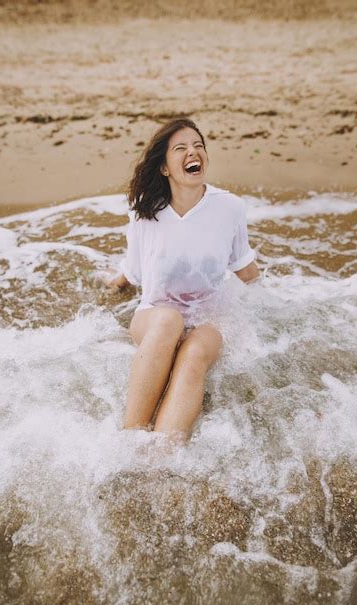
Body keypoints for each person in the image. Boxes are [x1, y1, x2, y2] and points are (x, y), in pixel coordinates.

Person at [103, 118, 260, 441]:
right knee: (168, 321)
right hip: (154, 318)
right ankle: (129, 439)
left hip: (209, 317)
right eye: (182, 148)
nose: (194, 152)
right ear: (165, 168)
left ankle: (161, 461)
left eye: (199, 146)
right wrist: (115, 283)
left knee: (193, 355)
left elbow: (245, 269)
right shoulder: (145, 212)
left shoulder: (229, 207)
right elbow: (133, 271)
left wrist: (274, 308)